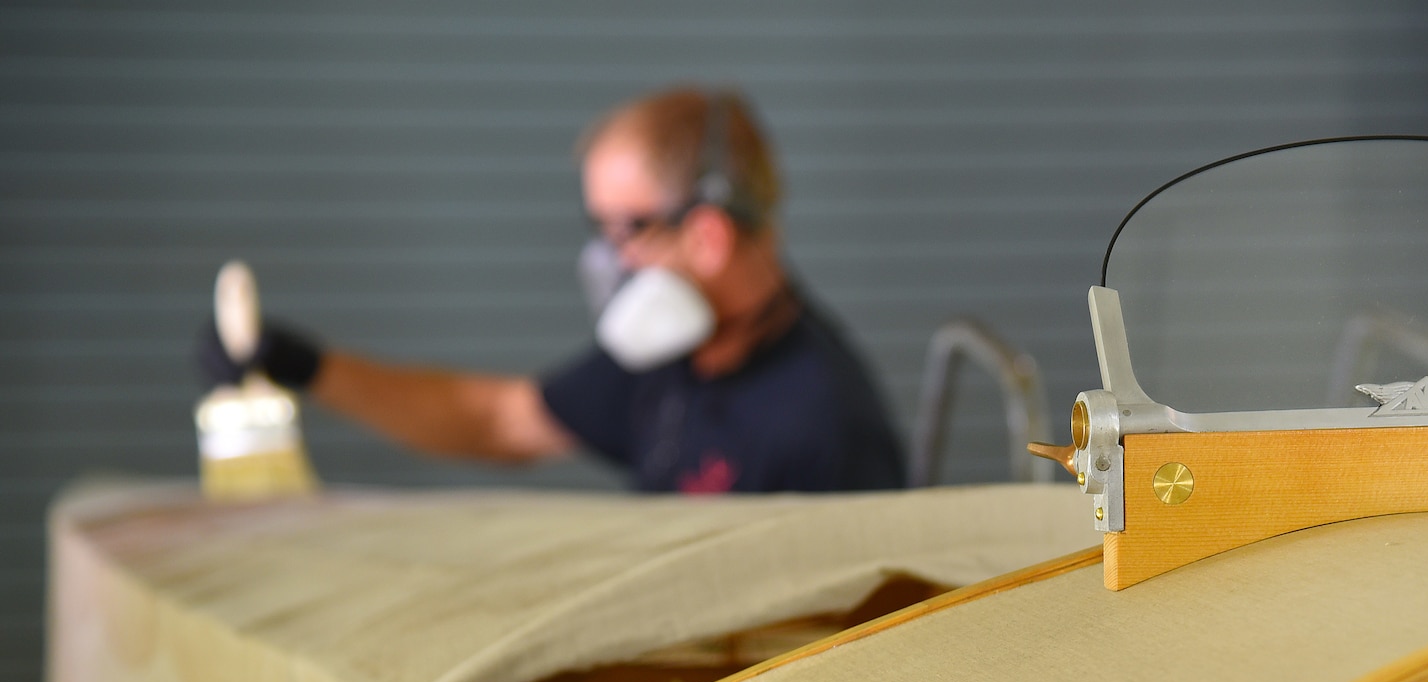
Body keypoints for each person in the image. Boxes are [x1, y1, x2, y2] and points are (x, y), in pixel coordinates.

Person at [196, 88, 906, 492]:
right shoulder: (672, 363)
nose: (609, 261)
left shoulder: (824, 426)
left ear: (709, 237)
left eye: (626, 231)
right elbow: (494, 420)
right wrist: (306, 367)